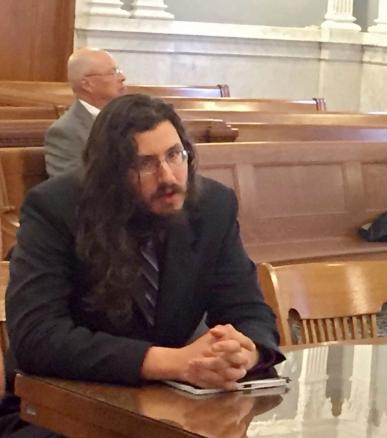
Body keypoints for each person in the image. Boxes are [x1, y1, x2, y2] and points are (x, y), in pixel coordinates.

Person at [0, 94, 283, 436]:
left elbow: (250, 311)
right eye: (146, 164)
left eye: (174, 155)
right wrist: (174, 362)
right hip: (57, 412)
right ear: (111, 173)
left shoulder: (212, 207)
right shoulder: (55, 208)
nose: (168, 176)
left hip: (166, 407)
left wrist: (243, 354)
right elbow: (38, 338)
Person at [44, 47, 127, 176]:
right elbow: (69, 187)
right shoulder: (65, 132)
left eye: (119, 71)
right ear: (87, 84)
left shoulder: (127, 117)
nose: (122, 77)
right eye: (113, 73)